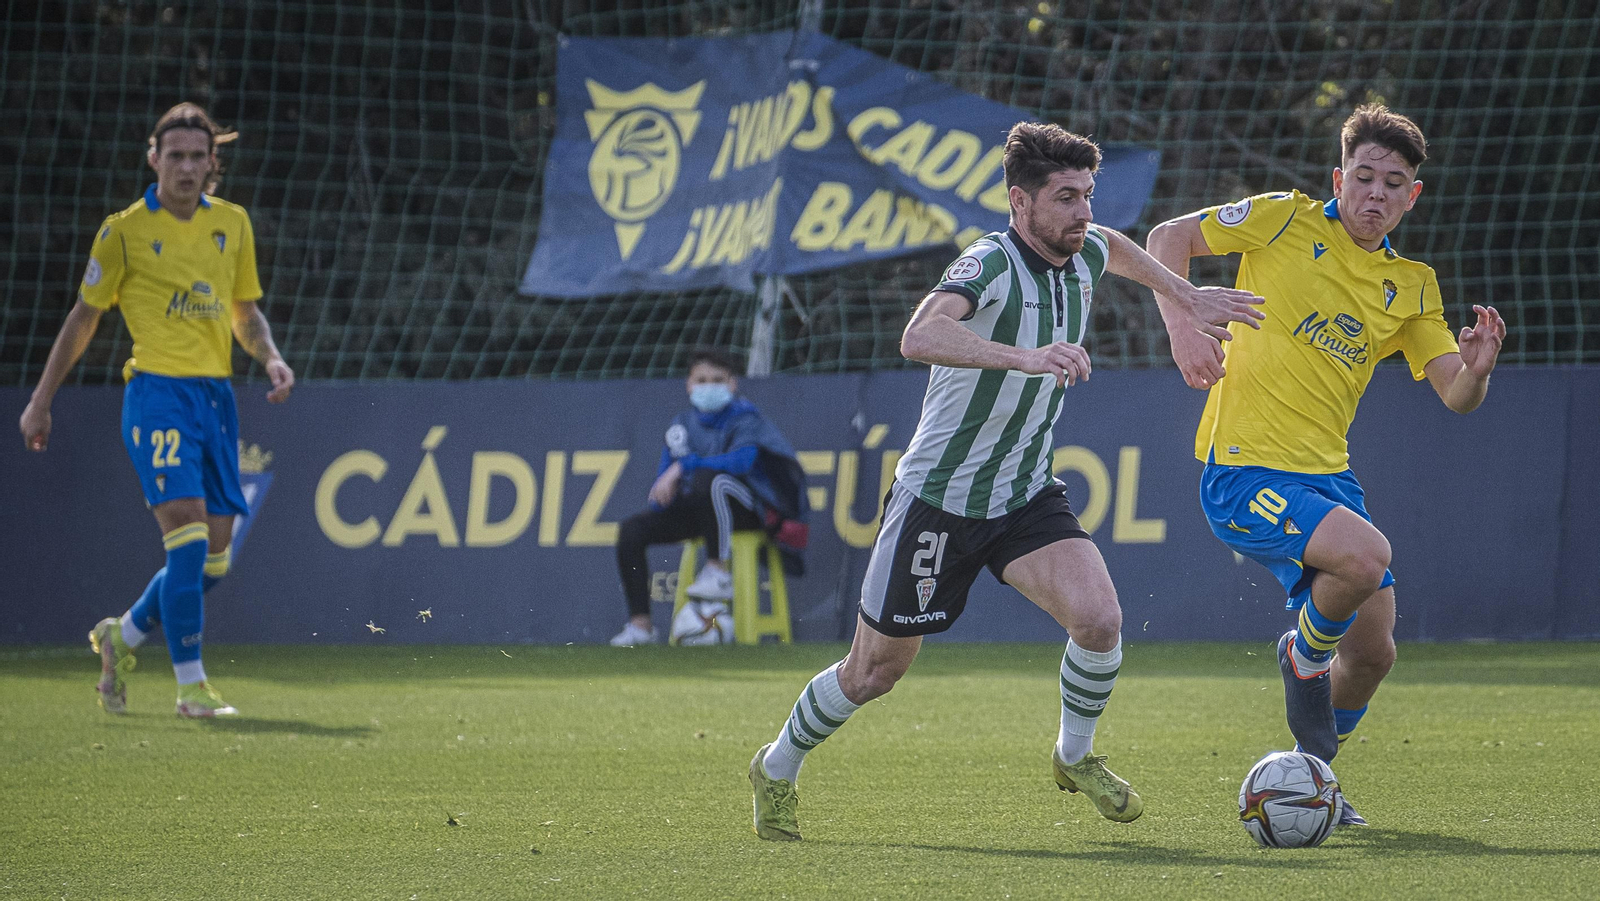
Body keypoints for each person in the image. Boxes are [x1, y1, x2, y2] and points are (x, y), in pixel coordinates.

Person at [745, 121, 1266, 841]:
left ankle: (1073, 755)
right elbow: (920, 334)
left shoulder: (1085, 248)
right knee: (872, 673)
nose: (1082, 210)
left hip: (1023, 491)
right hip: (938, 499)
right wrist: (1025, 357)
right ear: (1019, 202)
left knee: (1100, 619)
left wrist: (1185, 296)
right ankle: (776, 766)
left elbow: (1117, 246)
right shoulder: (988, 263)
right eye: (1065, 197)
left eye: (1087, 193)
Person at [1146, 104, 1506, 823]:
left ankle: (1314, 780)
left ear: (1413, 196)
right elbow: (1168, 237)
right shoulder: (1284, 217)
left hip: (1326, 478)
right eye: (1364, 177)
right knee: (1367, 558)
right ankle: (1302, 655)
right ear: (1340, 178)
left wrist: (1478, 368)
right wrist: (1184, 325)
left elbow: (1455, 395)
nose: (1376, 193)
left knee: (1374, 653)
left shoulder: (1411, 287)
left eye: (1393, 182)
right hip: (1244, 471)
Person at [19, 102, 294, 718]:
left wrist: (270, 358)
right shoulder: (123, 232)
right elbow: (83, 317)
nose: (188, 168)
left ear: (213, 163)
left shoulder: (232, 224)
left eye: (199, 157)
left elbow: (244, 313)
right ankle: (191, 687)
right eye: (176, 156)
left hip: (215, 399)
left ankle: (124, 635)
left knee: (214, 562)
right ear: (154, 159)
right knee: (189, 538)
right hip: (156, 394)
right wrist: (41, 400)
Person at [610, 348, 807, 646]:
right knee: (631, 530)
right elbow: (663, 486)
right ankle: (641, 626)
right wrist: (665, 493)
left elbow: (742, 463)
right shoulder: (681, 425)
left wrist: (684, 467)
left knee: (709, 481)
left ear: (732, 384)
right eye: (701, 380)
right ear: (689, 385)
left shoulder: (747, 418)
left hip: (746, 510)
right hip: (701, 511)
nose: (708, 386)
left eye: (717, 379)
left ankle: (718, 570)